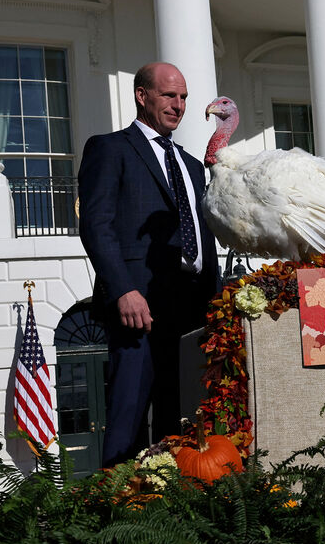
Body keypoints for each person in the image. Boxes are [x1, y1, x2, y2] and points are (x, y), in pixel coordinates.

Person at [78, 62, 219, 467]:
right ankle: (118, 510)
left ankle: (172, 506)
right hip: (137, 305)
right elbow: (97, 225)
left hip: (190, 307)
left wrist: (214, 299)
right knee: (130, 413)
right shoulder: (110, 148)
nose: (179, 105)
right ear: (142, 96)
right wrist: (122, 288)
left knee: (183, 416)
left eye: (184, 97)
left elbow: (201, 235)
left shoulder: (193, 165)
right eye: (169, 95)